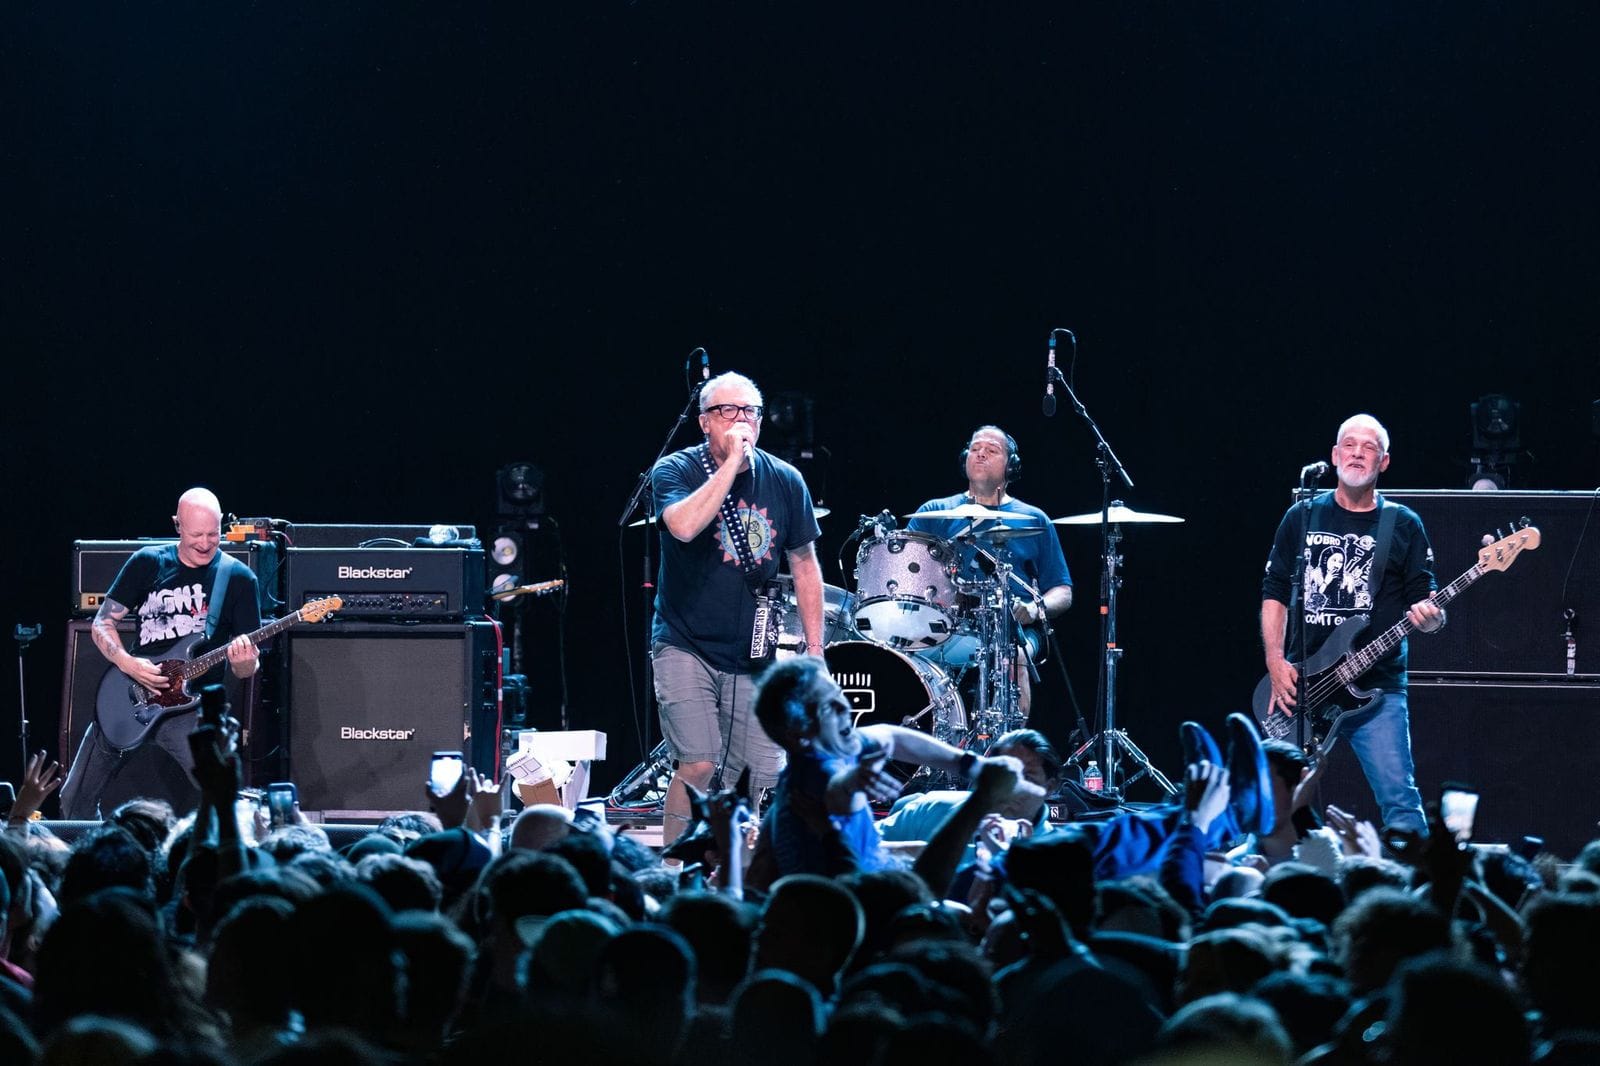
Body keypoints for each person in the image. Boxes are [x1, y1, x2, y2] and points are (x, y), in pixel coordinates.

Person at [651, 371, 827, 844]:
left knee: (755, 775)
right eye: (728, 411)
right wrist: (730, 466)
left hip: (754, 651)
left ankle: (730, 873)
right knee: (700, 761)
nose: (740, 420)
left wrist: (815, 648)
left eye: (749, 411)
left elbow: (805, 563)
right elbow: (683, 527)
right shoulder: (674, 470)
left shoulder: (786, 480)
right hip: (683, 640)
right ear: (705, 422)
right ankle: (671, 871)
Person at [1261, 414, 1442, 833]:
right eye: (1349, 444)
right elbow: (1273, 591)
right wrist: (1274, 660)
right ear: (1334, 455)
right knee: (1276, 799)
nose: (1357, 453)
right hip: (1302, 683)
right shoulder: (1301, 516)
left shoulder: (1404, 524)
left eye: (1369, 447)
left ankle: (1416, 891)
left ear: (1384, 462)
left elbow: (1426, 606)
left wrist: (1432, 619)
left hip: (1377, 690)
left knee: (1400, 800)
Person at [745, 655, 1038, 896]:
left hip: (869, 880)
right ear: (799, 734)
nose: (844, 707)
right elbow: (835, 791)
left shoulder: (834, 745)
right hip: (847, 912)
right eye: (827, 707)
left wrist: (968, 764)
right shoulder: (813, 776)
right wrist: (852, 783)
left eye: (838, 695)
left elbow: (891, 737)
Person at [60, 488, 261, 819]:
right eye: (196, 534)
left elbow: (246, 668)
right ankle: (97, 863)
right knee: (74, 799)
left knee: (223, 798)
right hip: (133, 693)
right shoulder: (148, 562)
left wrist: (245, 662)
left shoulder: (238, 578)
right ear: (177, 525)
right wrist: (128, 663)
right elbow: (102, 624)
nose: (206, 543)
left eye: (214, 534)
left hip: (190, 708)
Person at [907, 426, 1072, 714]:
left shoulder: (1034, 519)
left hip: (1011, 631)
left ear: (1012, 466)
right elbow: (905, 569)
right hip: (943, 626)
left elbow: (1063, 590)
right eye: (974, 448)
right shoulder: (934, 512)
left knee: (1015, 657)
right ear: (964, 459)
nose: (980, 453)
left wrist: (1035, 608)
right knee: (899, 653)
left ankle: (1007, 751)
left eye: (992, 450)